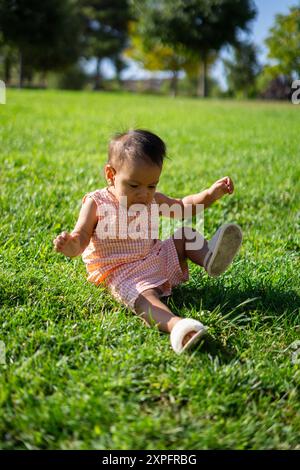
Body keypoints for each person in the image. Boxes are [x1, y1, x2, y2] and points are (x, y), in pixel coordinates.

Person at [53, 129, 242, 354]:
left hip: (154, 256)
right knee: (145, 299)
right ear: (111, 175)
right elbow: (81, 237)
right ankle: (177, 326)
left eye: (151, 186)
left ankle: (210, 258)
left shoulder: (152, 200)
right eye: (134, 186)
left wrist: (211, 195)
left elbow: (183, 206)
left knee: (185, 235)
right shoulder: (97, 203)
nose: (144, 194)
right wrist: (71, 245)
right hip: (122, 272)